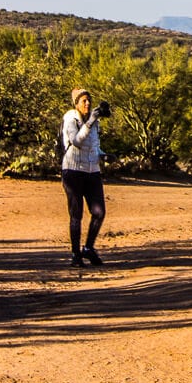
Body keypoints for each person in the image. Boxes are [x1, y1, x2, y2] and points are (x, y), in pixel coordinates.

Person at [61, 88, 107, 268]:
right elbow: (76, 141)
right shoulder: (70, 118)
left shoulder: (94, 122)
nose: (87, 104)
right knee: (76, 214)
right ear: (76, 103)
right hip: (73, 171)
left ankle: (88, 247)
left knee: (99, 212)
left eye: (89, 100)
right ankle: (75, 254)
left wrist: (103, 154)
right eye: (84, 101)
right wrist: (90, 122)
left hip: (92, 171)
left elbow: (94, 146)